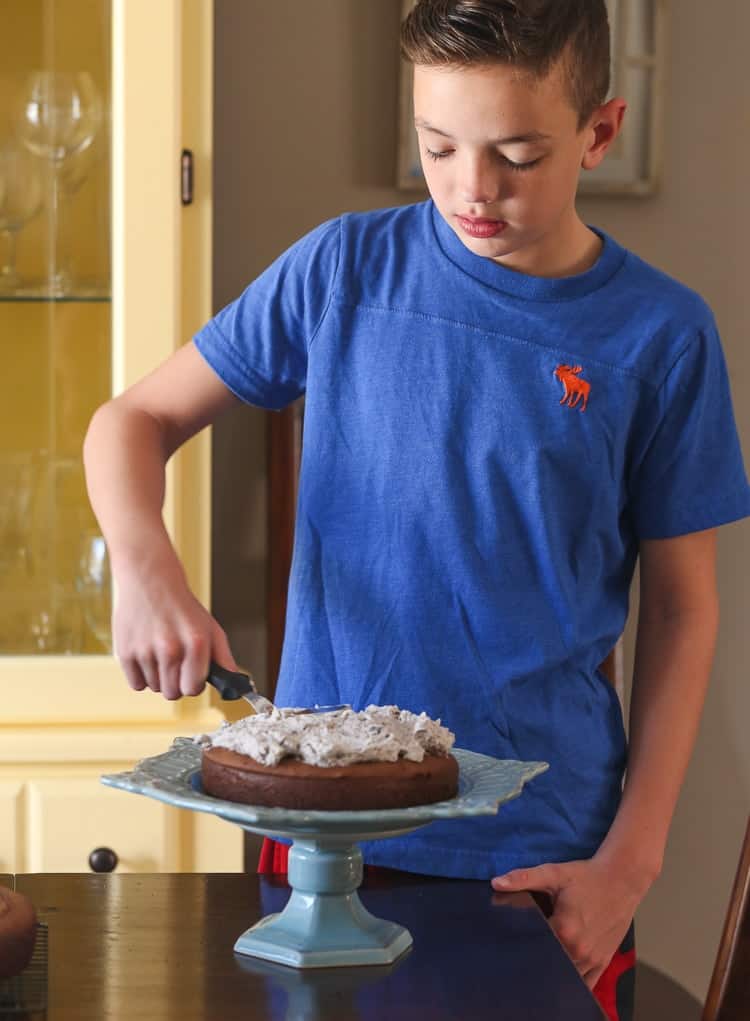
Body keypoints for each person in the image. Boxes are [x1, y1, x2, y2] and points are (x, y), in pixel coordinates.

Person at [83, 2, 750, 1019]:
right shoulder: (342, 270)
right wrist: (146, 573)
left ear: (600, 132)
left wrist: (630, 864)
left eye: (518, 154)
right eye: (438, 145)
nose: (472, 189)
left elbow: (684, 611)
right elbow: (129, 422)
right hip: (316, 836)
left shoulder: (661, 336)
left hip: (537, 855)